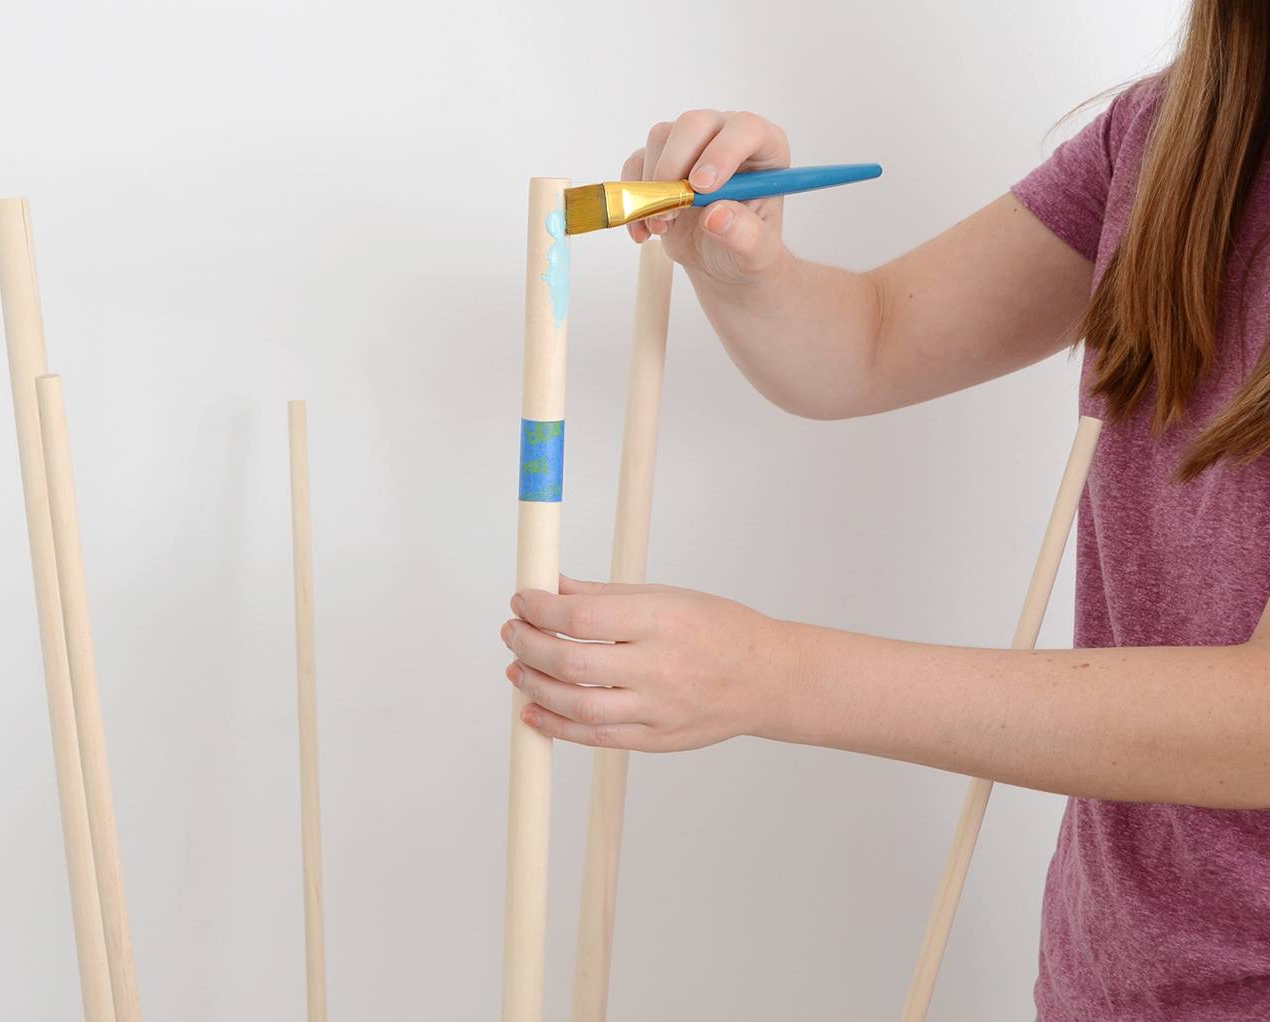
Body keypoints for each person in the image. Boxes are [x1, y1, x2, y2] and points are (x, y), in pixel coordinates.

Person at [499, 2, 1270, 1018]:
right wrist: (745, 266)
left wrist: (773, 674)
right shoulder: (1176, 132)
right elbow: (869, 342)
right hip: (1119, 977)